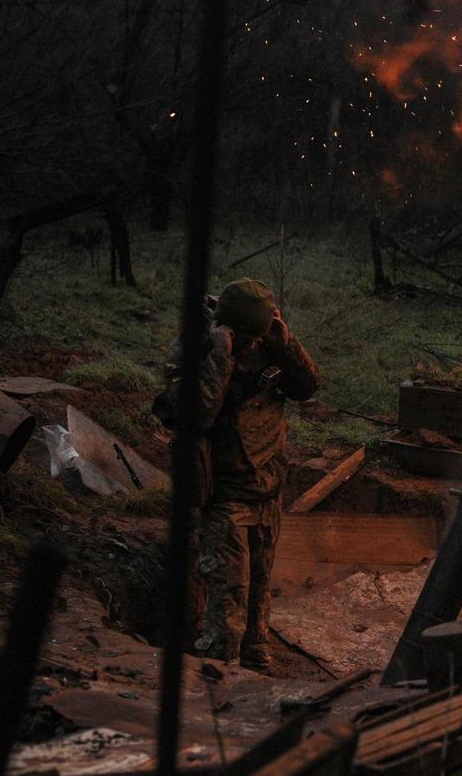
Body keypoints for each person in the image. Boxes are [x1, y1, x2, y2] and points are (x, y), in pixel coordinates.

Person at [162, 278, 320, 671]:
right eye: (246, 338)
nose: (253, 346)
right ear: (227, 328)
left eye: (257, 337)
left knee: (261, 581)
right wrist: (221, 359)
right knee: (228, 588)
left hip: (268, 482)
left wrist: (286, 346)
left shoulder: (271, 341)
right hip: (225, 489)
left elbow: (307, 388)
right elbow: (195, 415)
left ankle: (255, 651)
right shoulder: (195, 350)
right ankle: (219, 667)